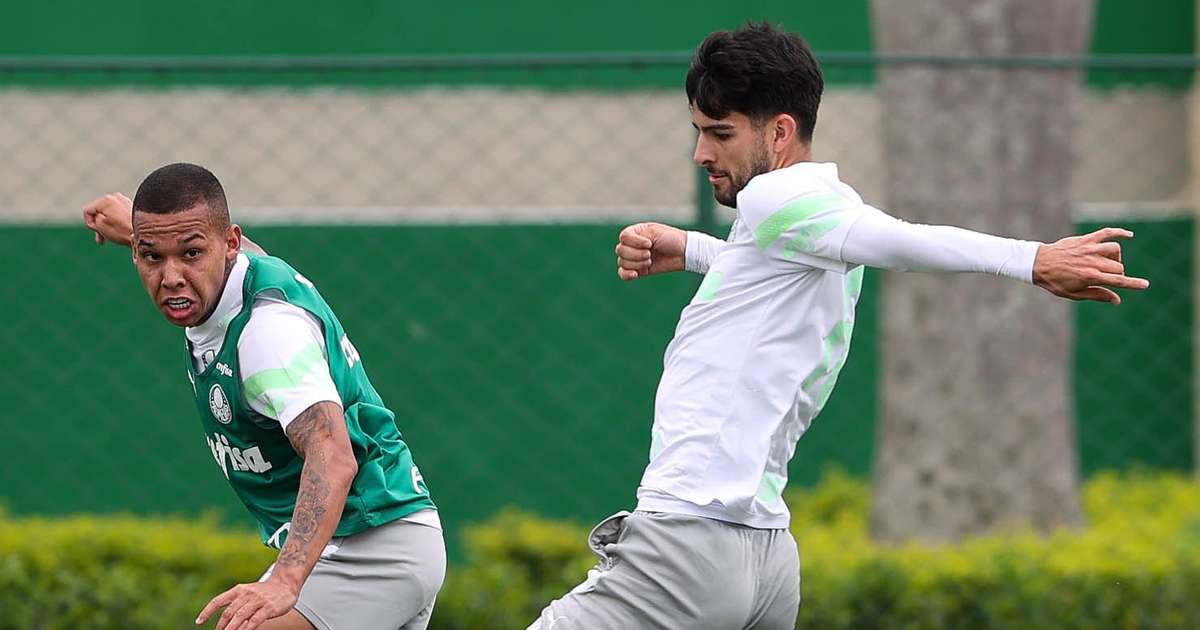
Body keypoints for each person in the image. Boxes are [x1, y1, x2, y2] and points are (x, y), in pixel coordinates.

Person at [527, 23, 1149, 630]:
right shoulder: (812, 214)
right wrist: (691, 248)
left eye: (720, 133)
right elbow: (766, 282)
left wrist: (1032, 259)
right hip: (765, 556)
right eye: (698, 132)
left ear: (780, 131)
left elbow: (898, 240)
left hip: (689, 537)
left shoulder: (775, 201)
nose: (701, 154)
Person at [83, 163, 445, 630]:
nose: (171, 276)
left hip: (370, 548)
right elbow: (182, 240)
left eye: (191, 253)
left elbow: (333, 456)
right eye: (151, 257)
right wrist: (139, 225)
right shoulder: (237, 276)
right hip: (366, 544)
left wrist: (286, 580)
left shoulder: (268, 336)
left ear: (229, 244)